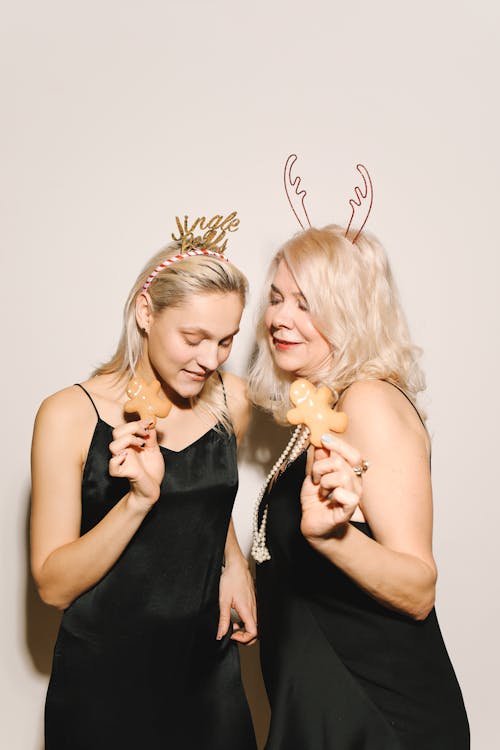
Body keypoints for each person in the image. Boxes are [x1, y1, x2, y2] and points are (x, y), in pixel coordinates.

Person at [31, 229, 258, 750]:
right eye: (194, 337)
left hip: (208, 674)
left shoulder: (231, 402)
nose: (210, 359)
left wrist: (235, 563)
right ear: (145, 312)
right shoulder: (68, 416)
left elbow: (206, 496)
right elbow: (52, 585)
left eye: (226, 340)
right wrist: (137, 501)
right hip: (103, 685)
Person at [249, 225, 469, 749]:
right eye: (277, 299)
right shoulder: (318, 415)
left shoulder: (367, 401)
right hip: (321, 704)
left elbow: (418, 588)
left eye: (307, 304)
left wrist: (333, 539)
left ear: (350, 312)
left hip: (375, 713)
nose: (280, 318)